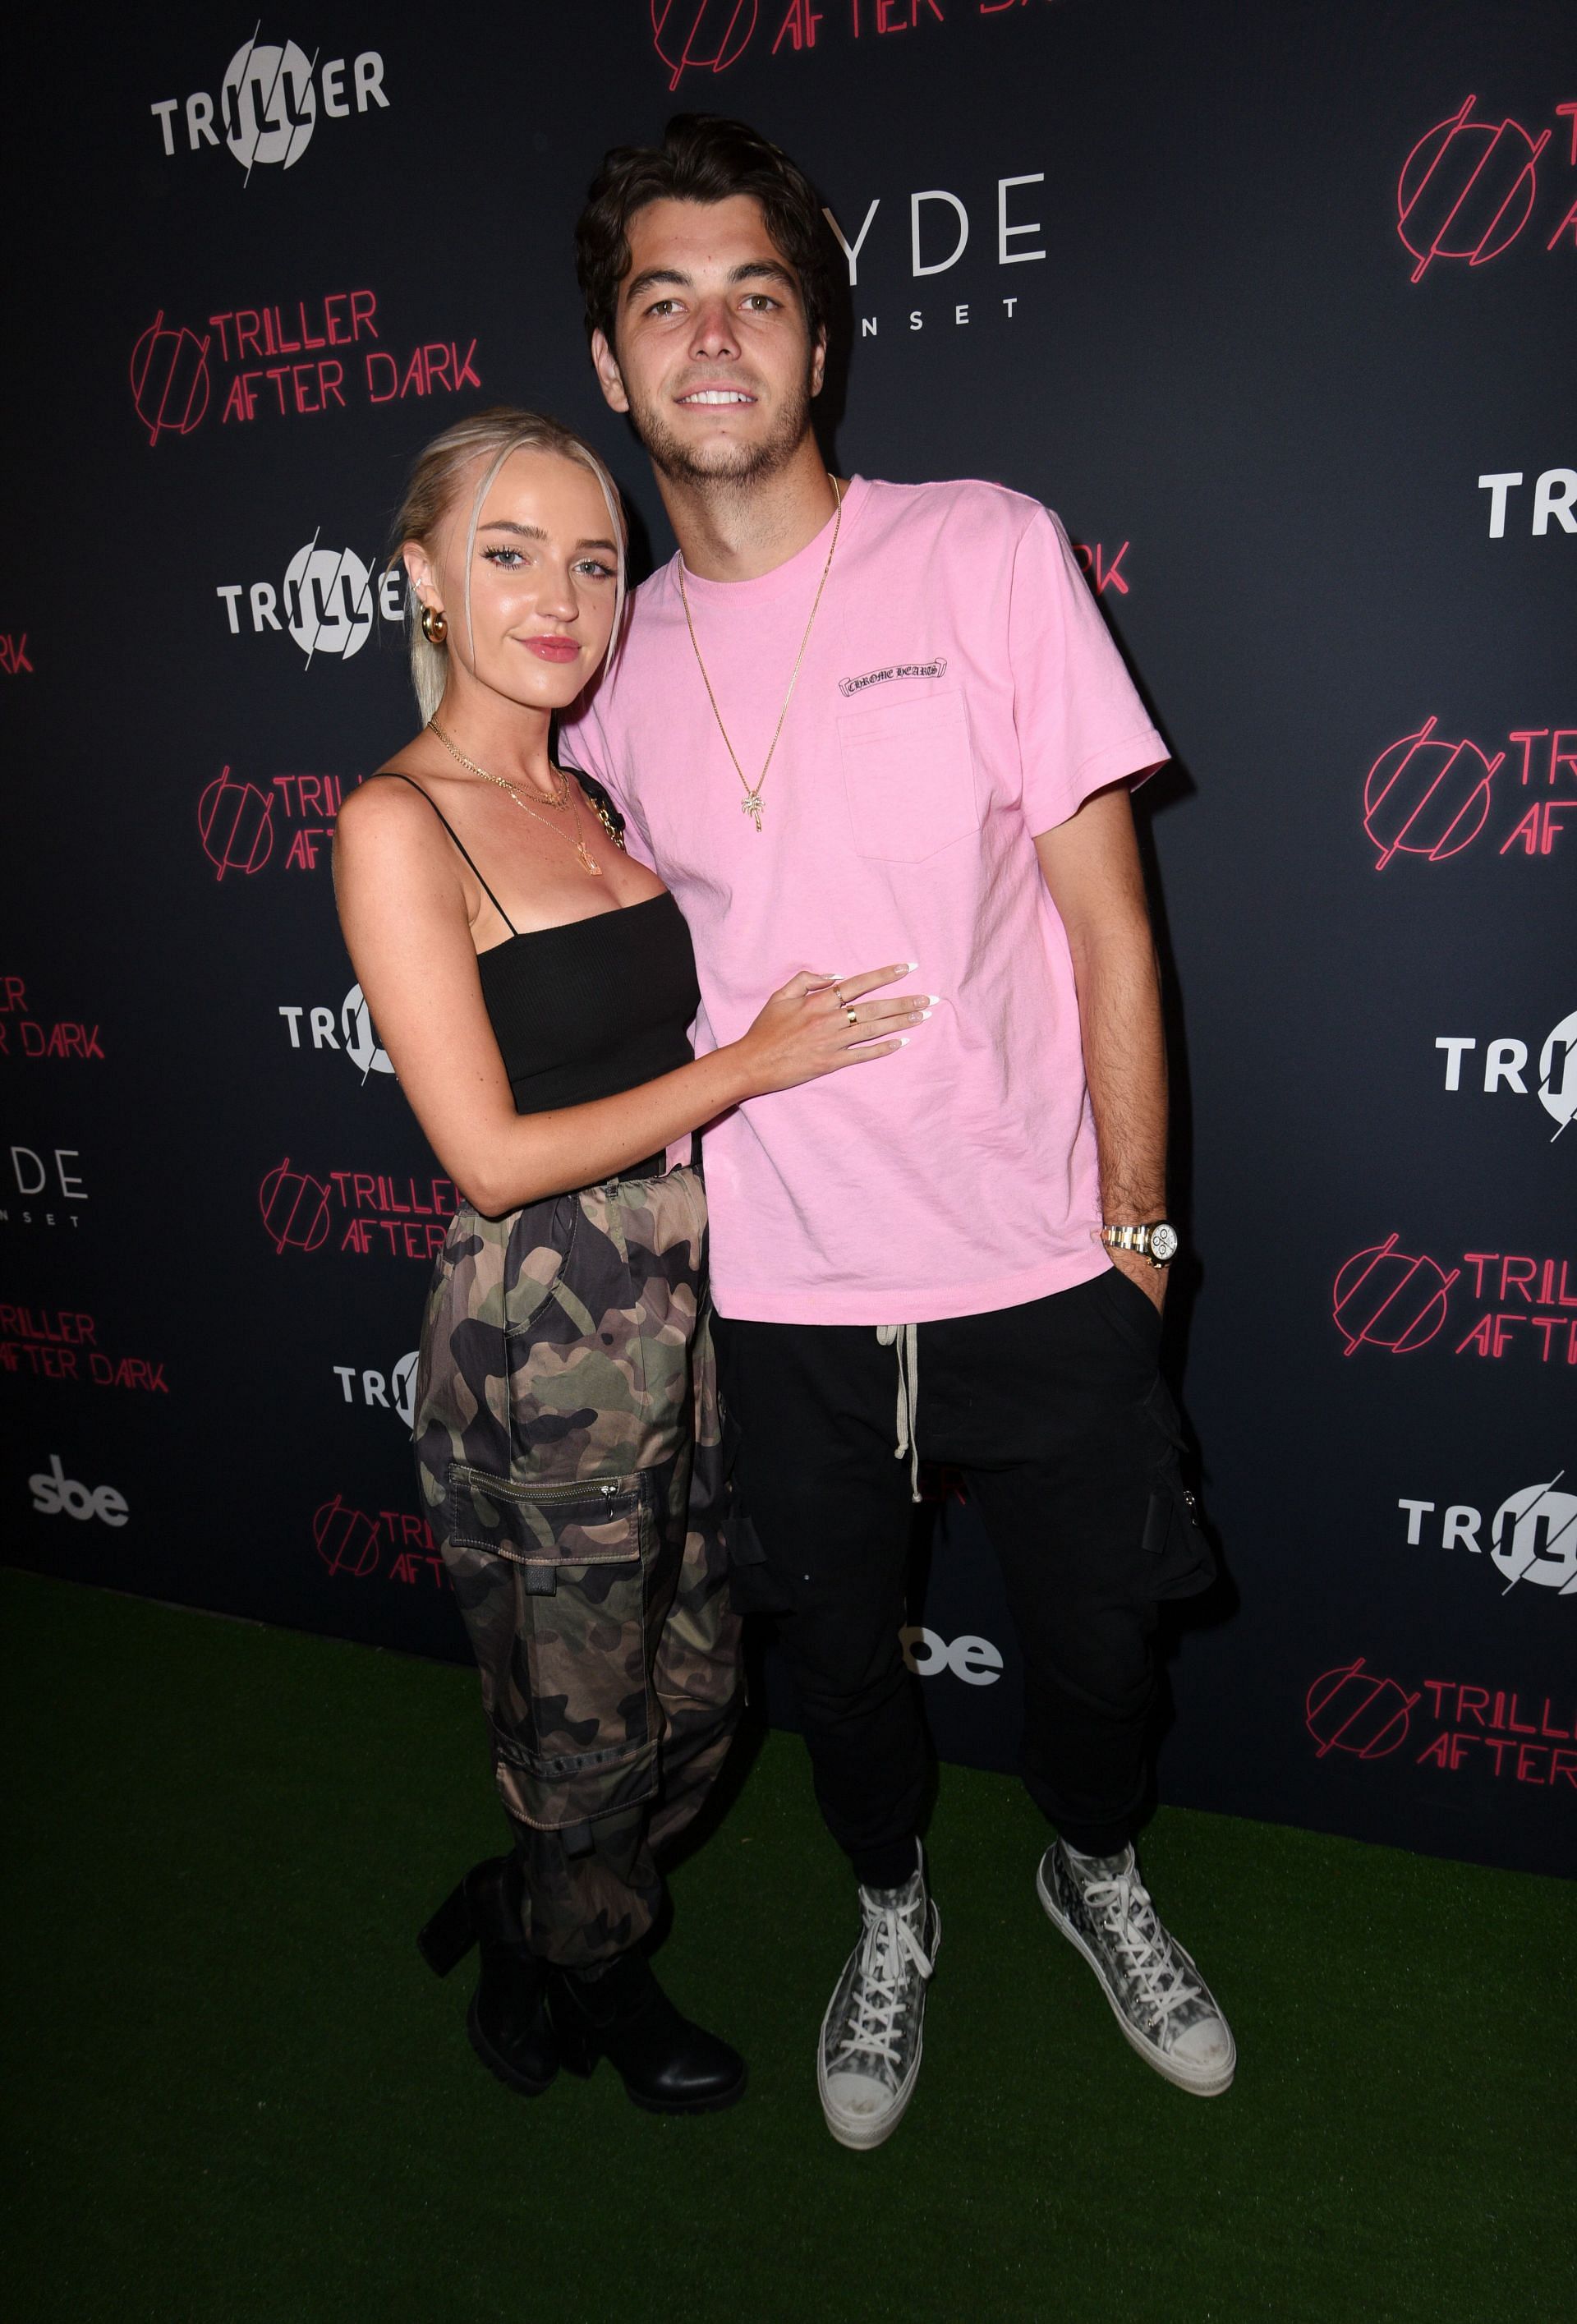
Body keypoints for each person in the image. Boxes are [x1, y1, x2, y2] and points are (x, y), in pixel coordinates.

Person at [562, 117, 1234, 2151]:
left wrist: (1139, 1244)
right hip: (775, 1295)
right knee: (844, 1668)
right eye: (661, 300)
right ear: (611, 364)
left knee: (1105, 1657)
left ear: (821, 336)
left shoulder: (987, 549)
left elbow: (1115, 924)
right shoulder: (593, 668)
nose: (711, 336)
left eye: (755, 293)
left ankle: (1091, 1863)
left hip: (1040, 1260)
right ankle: (893, 1903)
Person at [332, 407, 927, 2117]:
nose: (560, 593)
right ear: (425, 579)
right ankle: (581, 1964)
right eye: (508, 552)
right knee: (580, 1720)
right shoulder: (401, 823)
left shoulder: (585, 785)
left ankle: (537, 1893)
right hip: (542, 1337)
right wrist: (746, 1068)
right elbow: (490, 1154)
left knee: (705, 1683)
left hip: (691, 1310)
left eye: (595, 559)